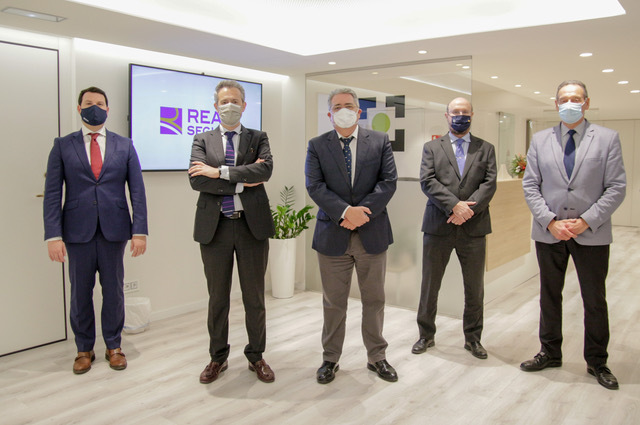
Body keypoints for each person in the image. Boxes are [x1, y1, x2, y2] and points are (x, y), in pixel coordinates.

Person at [520, 80, 626, 390]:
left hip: (591, 234)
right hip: (549, 232)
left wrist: (586, 221)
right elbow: (531, 185)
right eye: (564, 99)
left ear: (586, 103)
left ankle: (597, 361)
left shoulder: (607, 138)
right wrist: (550, 221)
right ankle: (549, 352)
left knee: (594, 299)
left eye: (576, 98)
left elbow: (616, 187)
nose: (570, 103)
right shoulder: (540, 140)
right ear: (556, 104)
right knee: (549, 296)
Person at [43, 86, 148, 374]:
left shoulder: (125, 145)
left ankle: (114, 346)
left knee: (114, 291)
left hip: (115, 230)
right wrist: (53, 236)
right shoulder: (62, 145)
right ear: (79, 108)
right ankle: (83, 349)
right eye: (88, 103)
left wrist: (139, 231)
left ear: (108, 109)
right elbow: (52, 194)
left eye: (100, 103)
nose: (95, 107)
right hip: (77, 232)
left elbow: (137, 191)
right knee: (80, 293)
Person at [305, 88, 398, 384]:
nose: (343, 110)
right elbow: (315, 186)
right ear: (329, 114)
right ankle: (330, 358)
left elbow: (388, 182)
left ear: (359, 111)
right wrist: (345, 212)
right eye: (337, 107)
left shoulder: (379, 141)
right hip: (333, 234)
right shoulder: (317, 145)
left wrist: (361, 213)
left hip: (372, 232)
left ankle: (377, 357)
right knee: (333, 303)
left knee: (374, 300)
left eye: (349, 105)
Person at [188, 80, 275, 384]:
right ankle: (217, 358)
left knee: (255, 298)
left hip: (252, 227)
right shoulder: (202, 139)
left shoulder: (258, 137)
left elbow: (265, 171)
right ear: (215, 106)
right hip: (216, 228)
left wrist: (220, 172)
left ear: (244, 105)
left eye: (235, 101)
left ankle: (256, 356)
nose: (230, 106)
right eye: (224, 101)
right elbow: (197, 180)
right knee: (218, 299)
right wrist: (241, 181)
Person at [412, 97, 497, 360]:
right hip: (438, 226)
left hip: (474, 227)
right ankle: (426, 335)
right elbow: (427, 181)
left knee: (474, 287)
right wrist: (454, 207)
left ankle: (473, 339)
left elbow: (489, 183)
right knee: (430, 285)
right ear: (447, 116)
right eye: (455, 112)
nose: (460, 116)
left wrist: (467, 210)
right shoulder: (431, 148)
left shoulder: (486, 148)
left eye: (465, 112)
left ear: (472, 115)